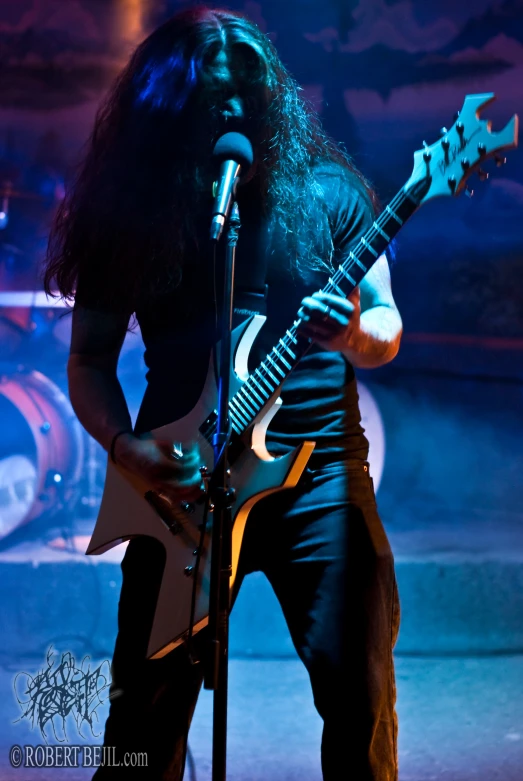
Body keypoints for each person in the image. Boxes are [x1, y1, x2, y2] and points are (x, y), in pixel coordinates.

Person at [44, 7, 403, 780]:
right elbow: (89, 362)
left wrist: (347, 335)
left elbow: (385, 325)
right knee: (143, 713)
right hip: (182, 484)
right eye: (213, 95)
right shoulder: (128, 215)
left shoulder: (329, 192)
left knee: (361, 697)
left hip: (319, 480)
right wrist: (124, 446)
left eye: (249, 90)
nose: (235, 108)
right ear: (166, 104)